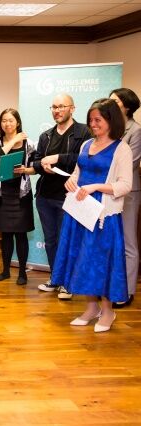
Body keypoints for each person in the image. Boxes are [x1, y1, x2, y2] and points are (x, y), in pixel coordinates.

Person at [52, 98, 132, 332]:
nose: (93, 124)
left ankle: (108, 311)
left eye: (98, 120)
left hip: (103, 216)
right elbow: (78, 172)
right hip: (80, 211)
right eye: (91, 120)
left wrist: (96, 187)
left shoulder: (121, 149)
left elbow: (125, 185)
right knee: (83, 259)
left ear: (111, 121)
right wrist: (71, 181)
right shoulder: (86, 144)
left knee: (101, 262)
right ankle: (91, 307)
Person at [33, 94, 91, 299]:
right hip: (45, 196)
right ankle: (55, 278)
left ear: (72, 109)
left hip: (69, 196)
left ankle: (68, 283)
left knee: (68, 240)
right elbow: (36, 161)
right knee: (51, 241)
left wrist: (58, 158)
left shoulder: (84, 132)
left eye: (61, 106)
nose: (57, 111)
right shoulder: (46, 136)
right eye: (54, 107)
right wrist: (43, 166)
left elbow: (84, 158)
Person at [0, 109, 36, 285]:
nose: (7, 123)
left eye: (10, 120)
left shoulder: (29, 144)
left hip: (21, 194)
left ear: (17, 122)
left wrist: (26, 170)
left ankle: (22, 273)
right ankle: (5, 271)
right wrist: (14, 140)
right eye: (4, 120)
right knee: (6, 235)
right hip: (3, 195)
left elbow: (35, 167)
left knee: (21, 235)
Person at [109, 88, 141, 308]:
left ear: (127, 107)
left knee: (128, 242)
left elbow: (131, 163)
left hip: (128, 193)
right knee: (111, 241)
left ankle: (127, 291)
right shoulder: (110, 128)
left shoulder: (136, 130)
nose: (110, 104)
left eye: (115, 101)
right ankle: (112, 287)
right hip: (107, 191)